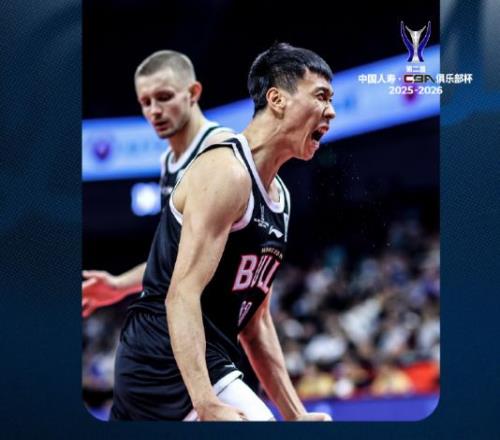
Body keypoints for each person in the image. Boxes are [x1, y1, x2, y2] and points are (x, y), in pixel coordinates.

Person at [110, 42, 336, 421]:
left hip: (208, 353)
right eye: (321, 96)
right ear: (277, 99)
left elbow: (256, 323)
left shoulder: (280, 198)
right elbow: (181, 294)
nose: (331, 110)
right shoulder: (226, 171)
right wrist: (205, 402)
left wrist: (296, 415)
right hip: (159, 354)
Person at [82, 50, 234, 318]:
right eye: (145, 102)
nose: (154, 111)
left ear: (193, 92)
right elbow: (174, 257)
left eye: (164, 97)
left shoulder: (219, 150)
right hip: (196, 314)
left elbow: (211, 257)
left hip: (222, 314)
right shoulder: (169, 161)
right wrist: (119, 285)